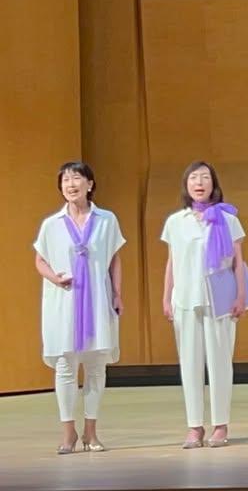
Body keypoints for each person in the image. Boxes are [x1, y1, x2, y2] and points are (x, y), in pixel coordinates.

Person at [34, 162, 125, 454]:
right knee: (66, 366)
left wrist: (117, 294)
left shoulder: (106, 220)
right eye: (65, 180)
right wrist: (55, 278)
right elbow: (40, 260)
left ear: (90, 184)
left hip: (97, 300)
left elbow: (114, 259)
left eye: (76, 178)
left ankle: (91, 431)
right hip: (64, 302)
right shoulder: (52, 224)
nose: (71, 184)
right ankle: (68, 433)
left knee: (96, 367)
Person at [161, 161, 248, 449]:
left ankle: (220, 425)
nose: (199, 183)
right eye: (194, 178)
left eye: (205, 178)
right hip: (186, 299)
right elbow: (172, 262)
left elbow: (238, 262)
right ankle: (194, 426)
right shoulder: (176, 221)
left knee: (220, 362)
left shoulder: (228, 219)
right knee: (189, 364)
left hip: (219, 300)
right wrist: (166, 297)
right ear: (186, 185)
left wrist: (240, 295)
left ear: (214, 184)